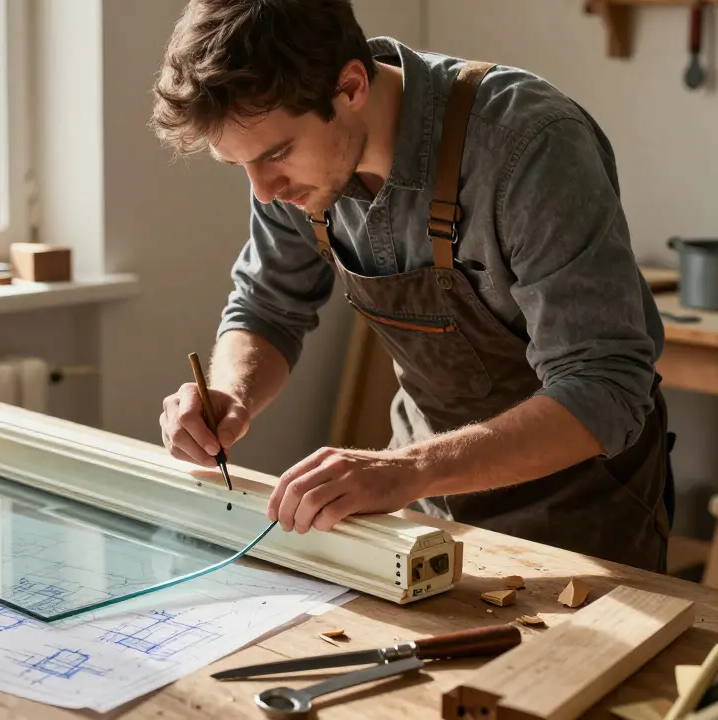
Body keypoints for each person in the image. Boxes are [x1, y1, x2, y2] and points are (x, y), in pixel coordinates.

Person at [150, 0, 674, 572]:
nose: (266, 191)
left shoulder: (530, 144)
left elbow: (605, 388)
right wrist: (231, 392)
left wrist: (406, 470)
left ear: (349, 86)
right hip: (421, 508)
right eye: (240, 166)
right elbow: (268, 306)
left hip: (583, 516)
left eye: (277, 155)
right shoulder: (289, 178)